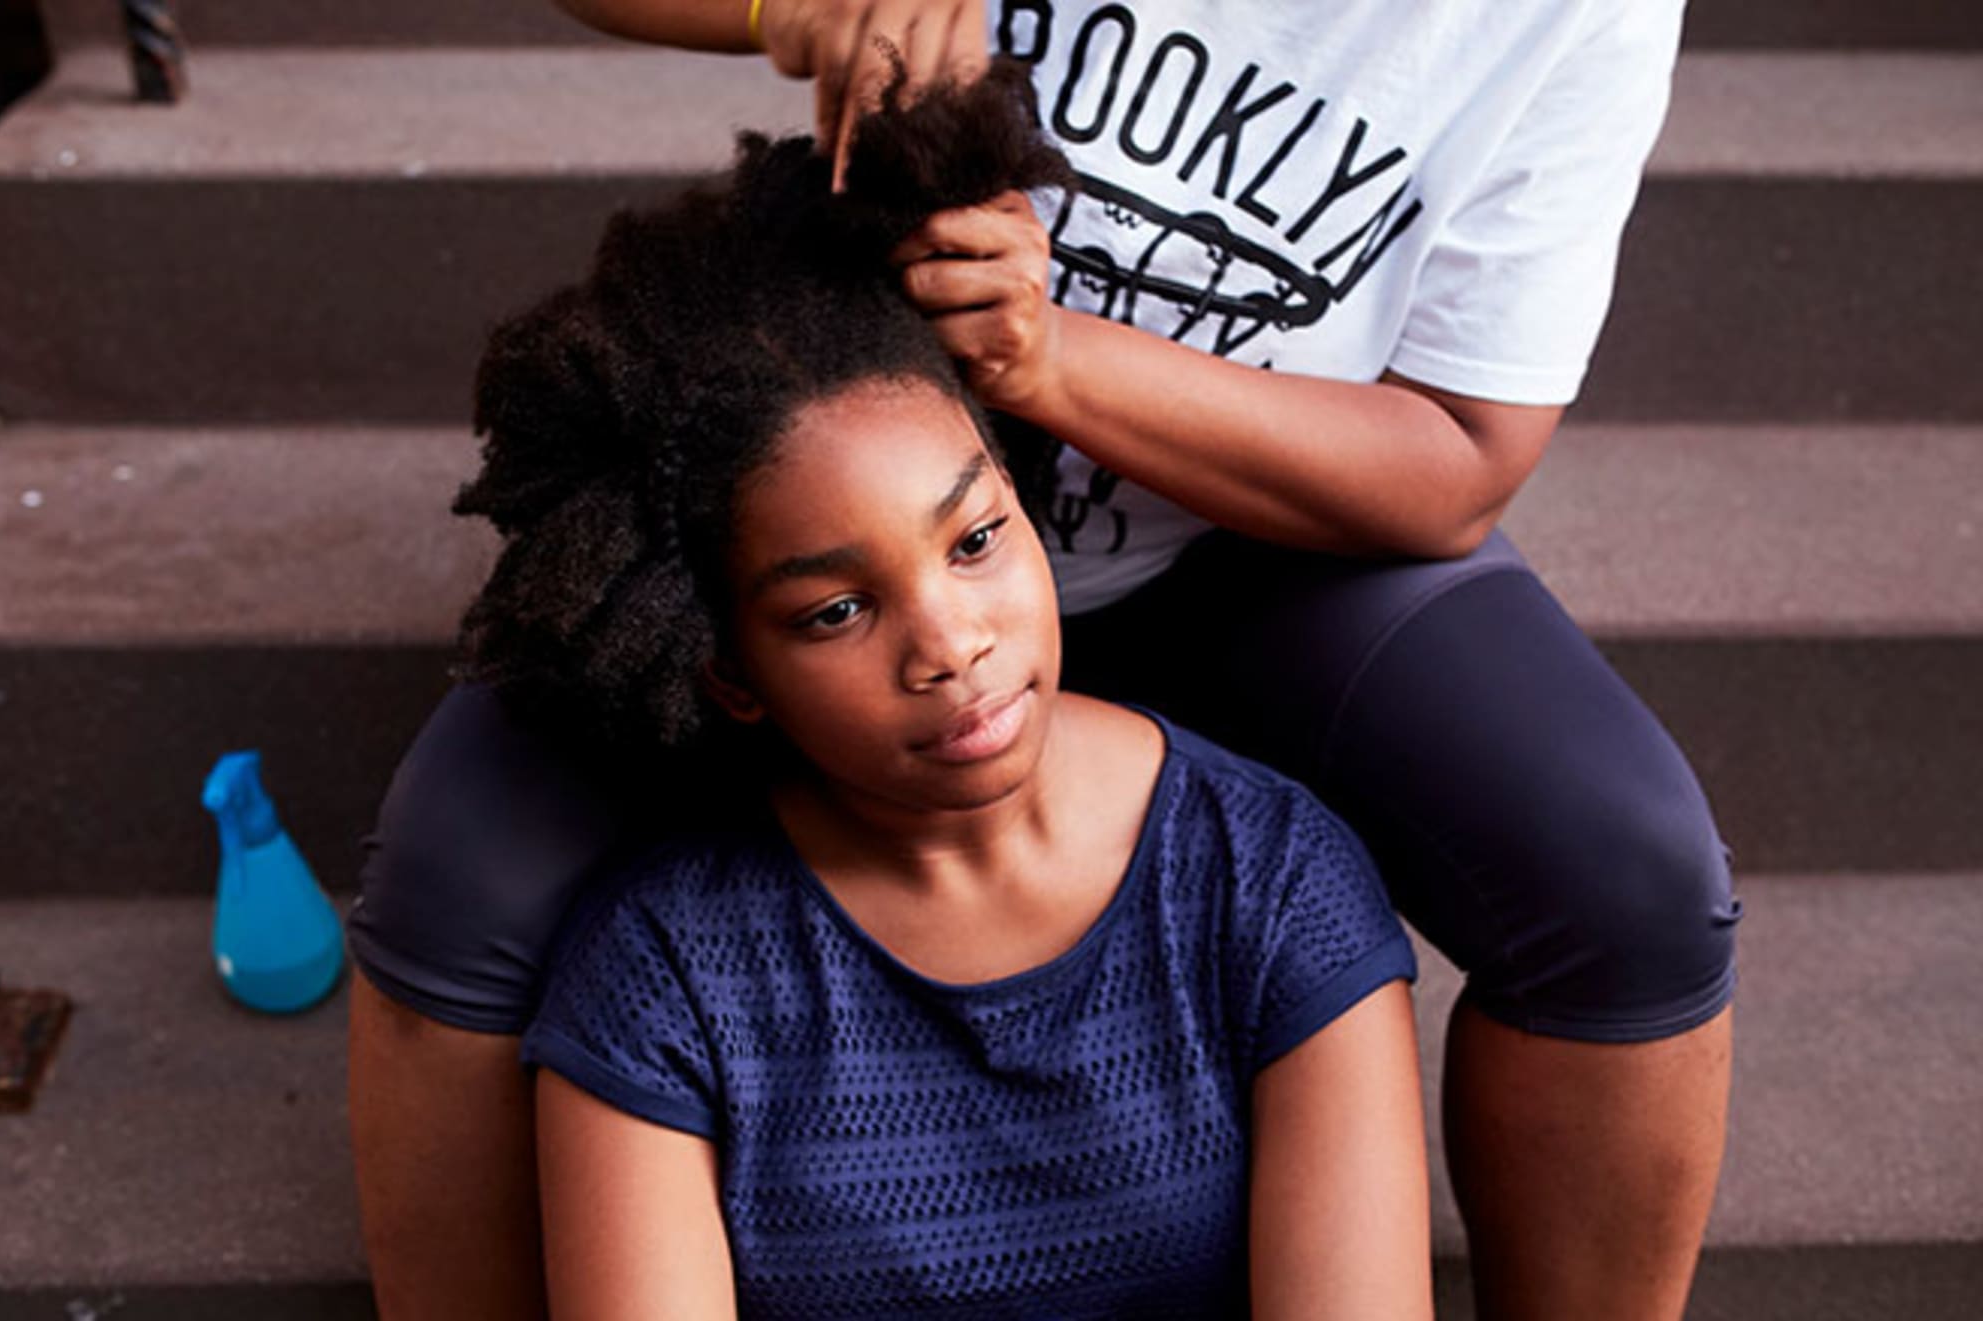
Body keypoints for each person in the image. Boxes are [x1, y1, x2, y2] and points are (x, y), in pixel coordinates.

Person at [349, 3, 1741, 1319]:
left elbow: (1457, 459)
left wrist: (1057, 363)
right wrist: (805, 5)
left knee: (1629, 879)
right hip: (863, 509)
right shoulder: (665, 958)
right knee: (458, 873)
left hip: (1244, 541)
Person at [430, 69, 1429, 1316]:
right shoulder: (666, 975)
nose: (950, 645)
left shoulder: (1268, 882)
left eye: (974, 541)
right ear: (730, 672)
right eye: (835, 611)